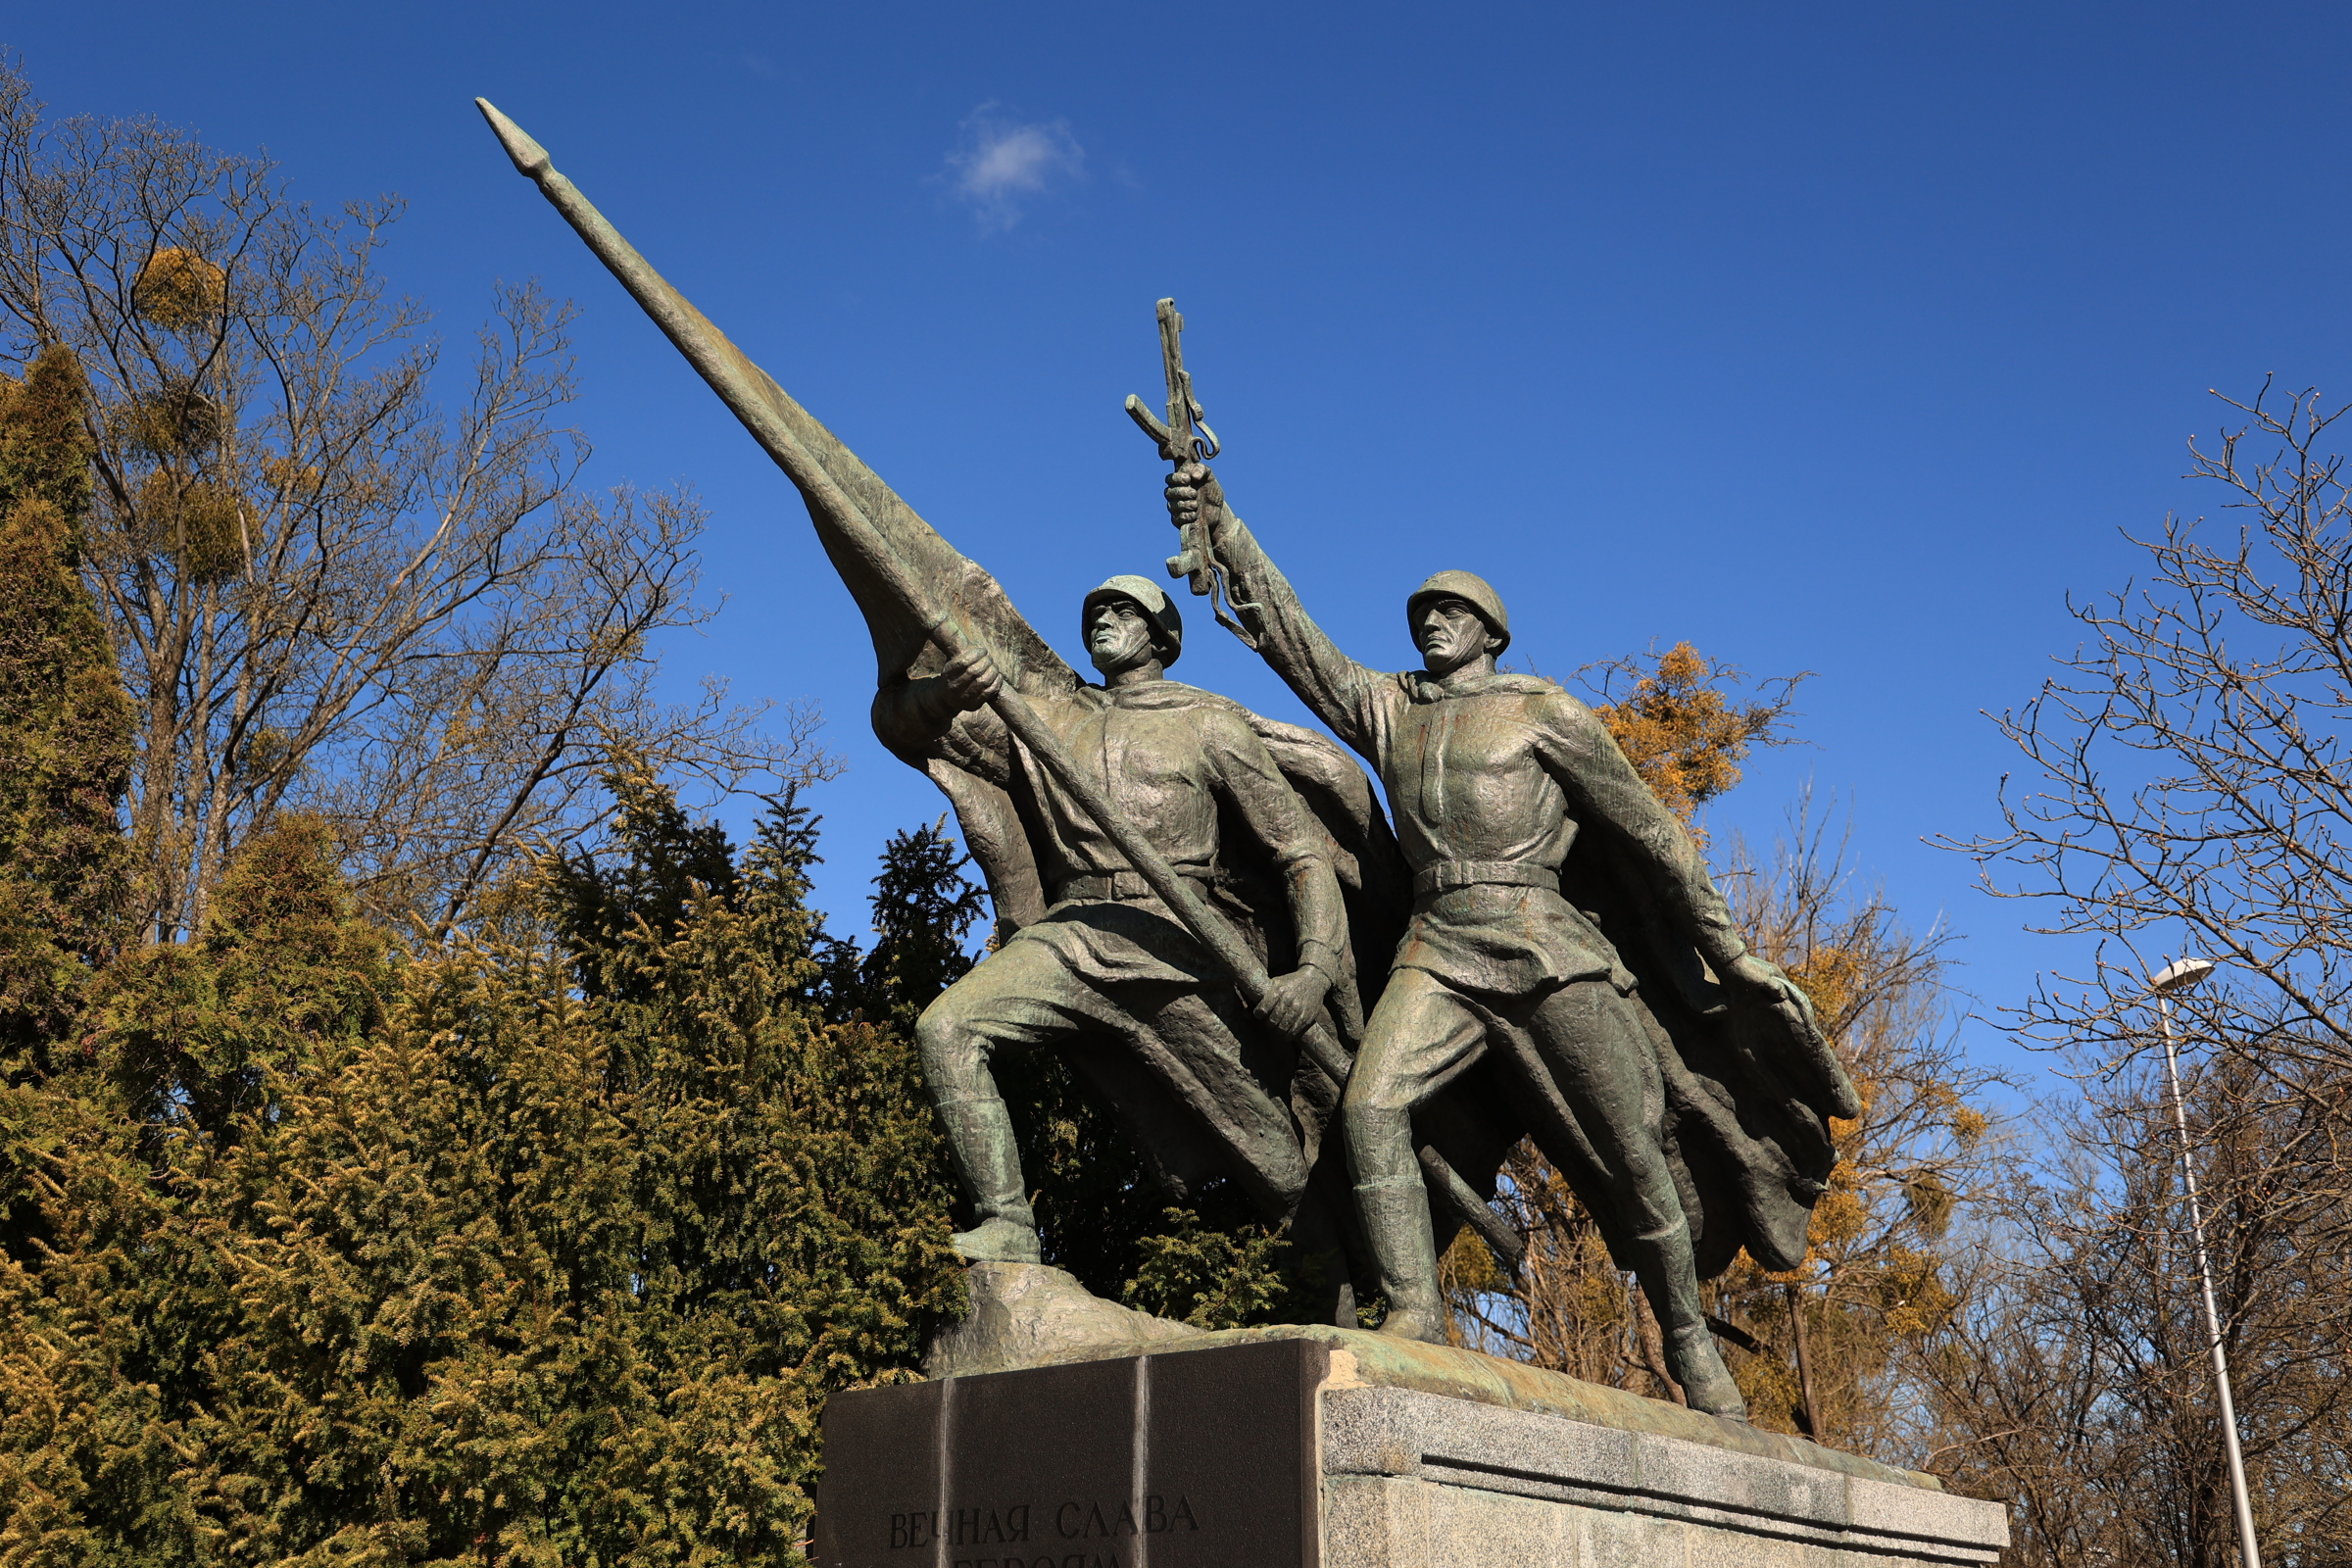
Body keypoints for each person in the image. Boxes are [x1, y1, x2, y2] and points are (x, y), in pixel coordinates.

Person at [1162, 466, 1858, 1419]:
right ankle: (1414, 1309)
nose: (1432, 623)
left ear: (1492, 632)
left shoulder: (1545, 712)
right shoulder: (1392, 708)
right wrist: (1222, 527)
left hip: (1548, 950)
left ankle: (1689, 1340)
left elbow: (1652, 834)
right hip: (1439, 947)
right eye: (1423, 613)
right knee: (1370, 1106)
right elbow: (1300, 648)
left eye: (1452, 612)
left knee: (1634, 1152)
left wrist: (1730, 953)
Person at [876, 574, 1348, 1267]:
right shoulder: (1044, 719)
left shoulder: (1207, 723)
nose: (1101, 621)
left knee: (1271, 1157)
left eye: (1122, 612)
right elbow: (898, 724)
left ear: (1161, 637)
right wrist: (949, 690)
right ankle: (1007, 1222)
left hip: (1180, 943)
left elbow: (1299, 849)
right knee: (946, 1028)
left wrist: (1314, 968)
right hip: (1074, 931)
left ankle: (1335, 1283)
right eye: (1094, 612)